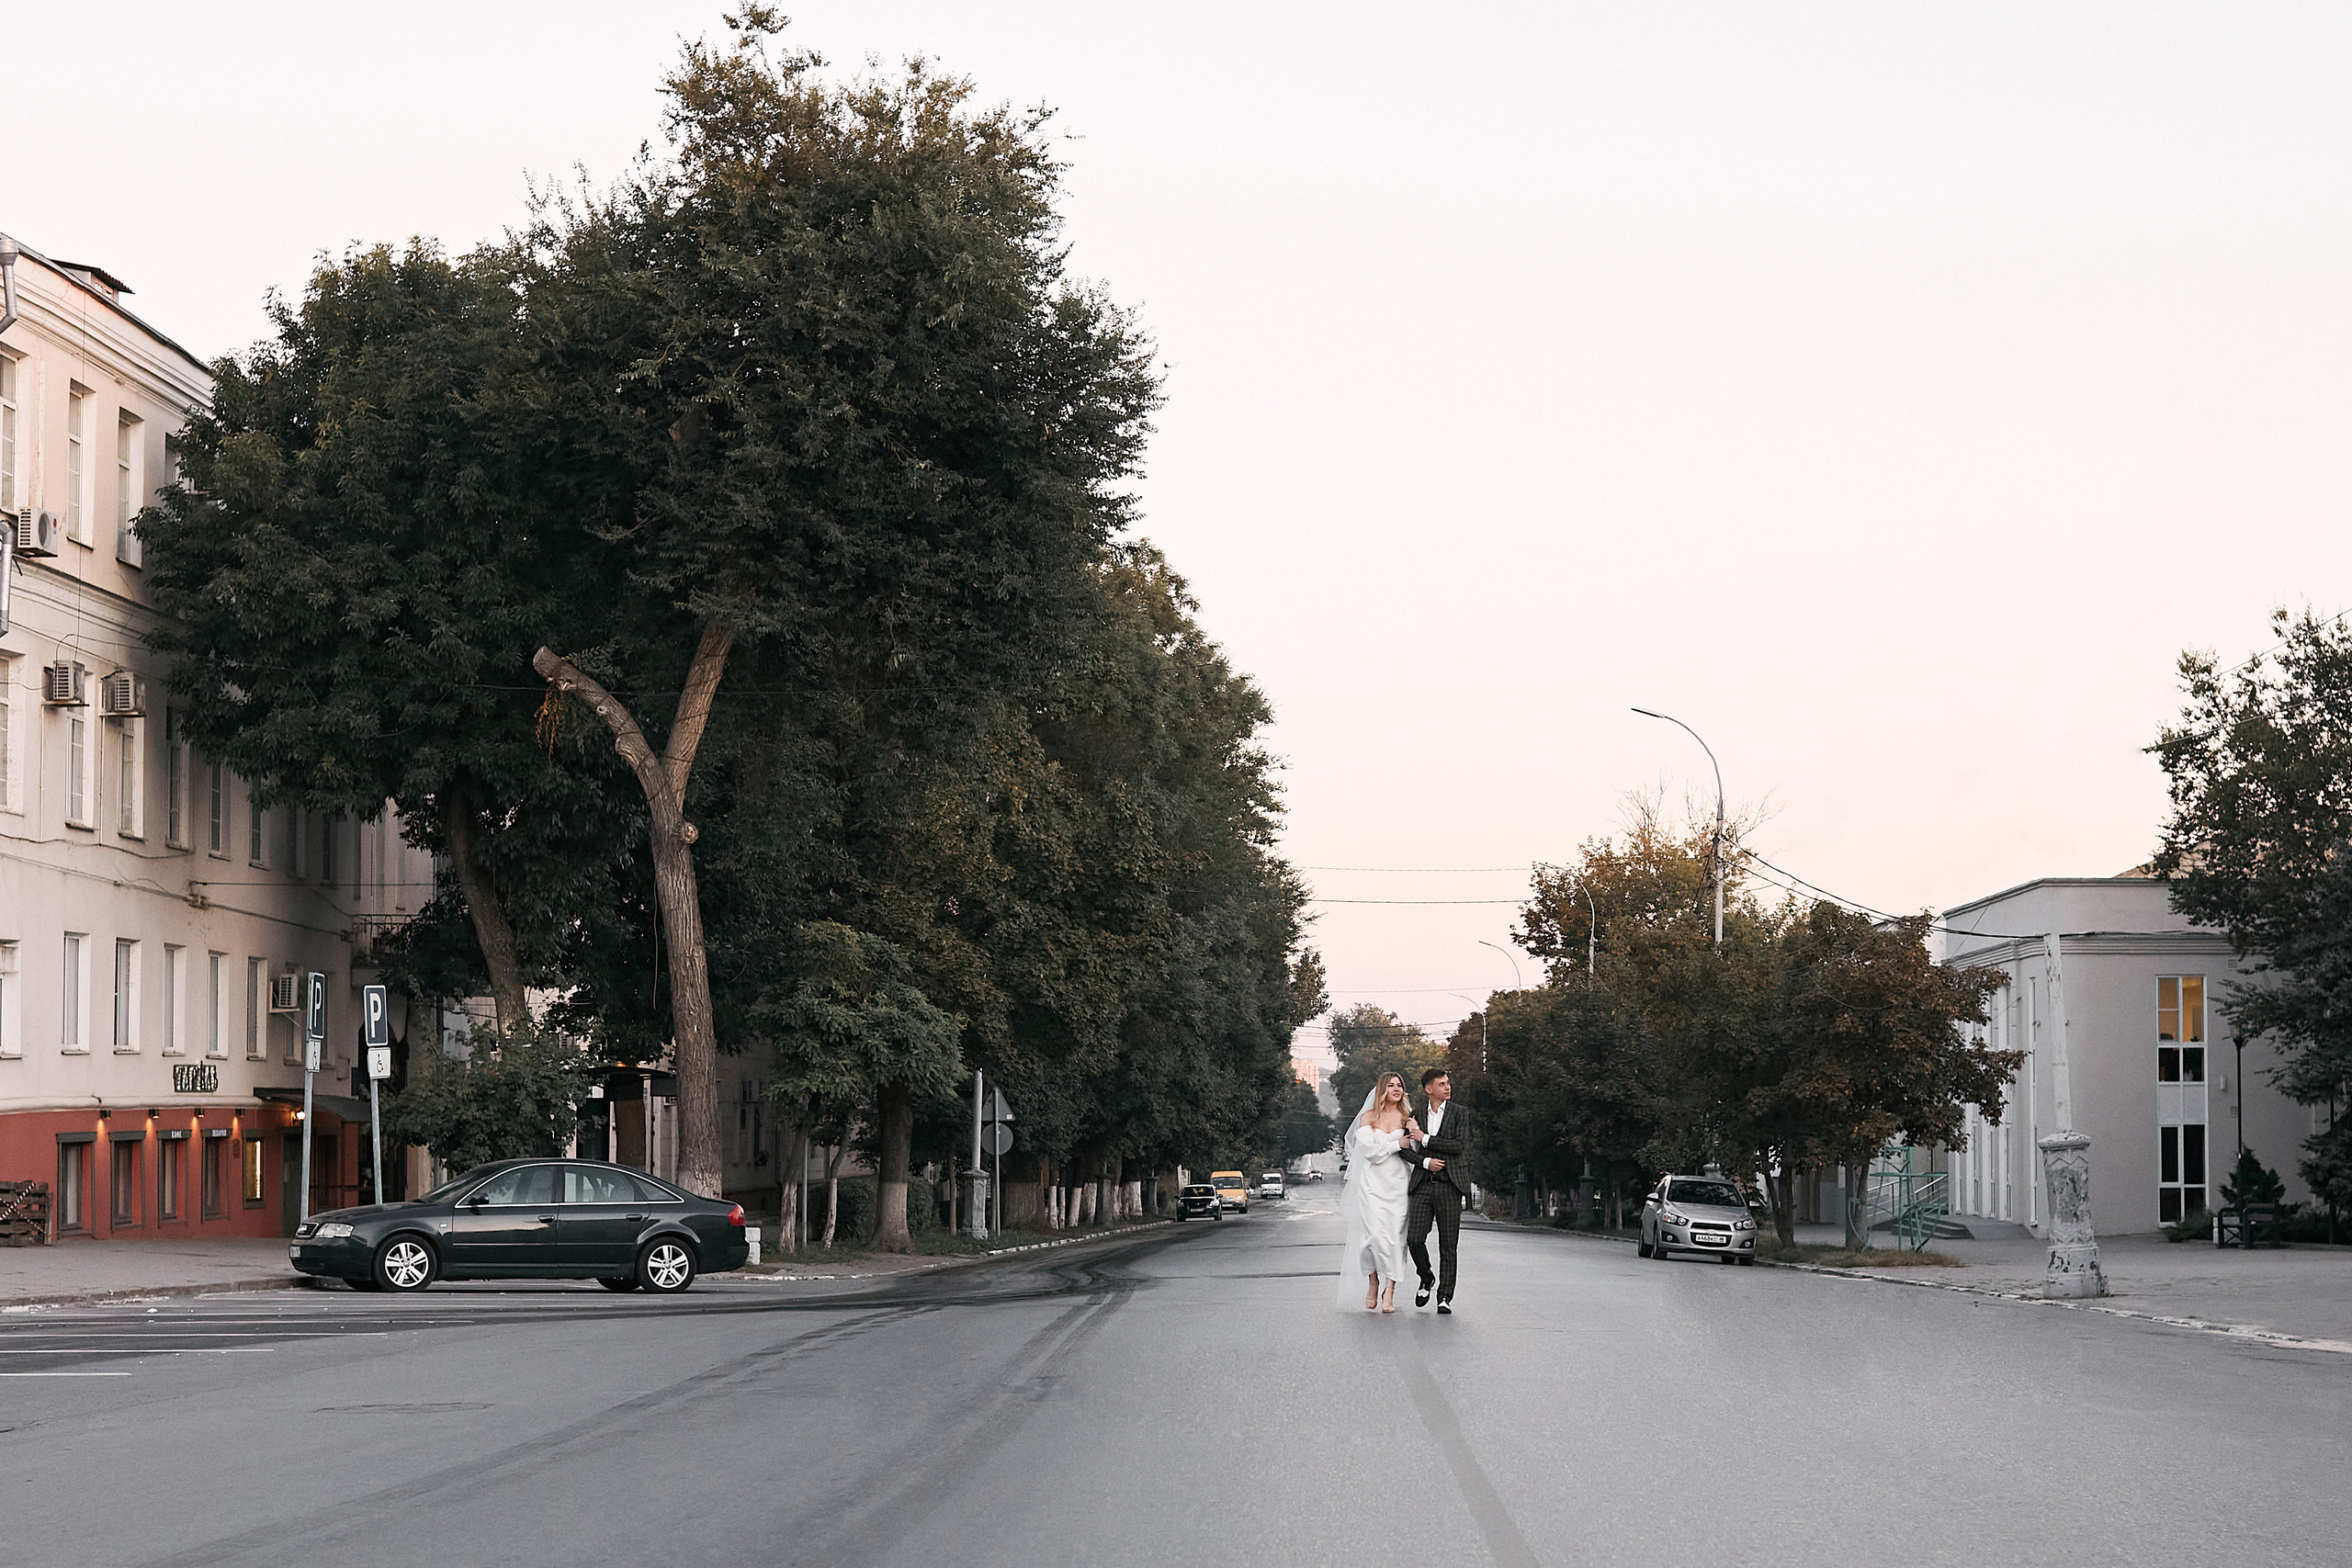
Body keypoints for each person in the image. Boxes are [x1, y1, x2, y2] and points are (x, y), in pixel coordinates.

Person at [1333, 1072, 1419, 1313]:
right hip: (1372, 1184)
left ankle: (1390, 1289)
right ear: (1382, 1090)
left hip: (1399, 1184)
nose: (1396, 1089)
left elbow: (1414, 1148)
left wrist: (1412, 1135)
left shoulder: (1408, 1117)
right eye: (1391, 1085)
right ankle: (1373, 1281)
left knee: (1395, 1238)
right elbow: (1370, 1152)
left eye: (1400, 1085)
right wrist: (1394, 1144)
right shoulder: (1368, 1117)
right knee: (1372, 1238)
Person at [1401, 1067, 1471, 1313]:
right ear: (1428, 1089)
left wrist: (1426, 1138)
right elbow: (1404, 1148)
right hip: (1422, 1185)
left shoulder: (1460, 1113)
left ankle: (1444, 1297)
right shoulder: (1416, 1114)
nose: (1448, 1087)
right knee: (1414, 1239)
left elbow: (1459, 1145)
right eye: (1442, 1084)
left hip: (1450, 1186)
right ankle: (1426, 1277)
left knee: (1448, 1245)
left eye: (1448, 1083)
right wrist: (1424, 1161)